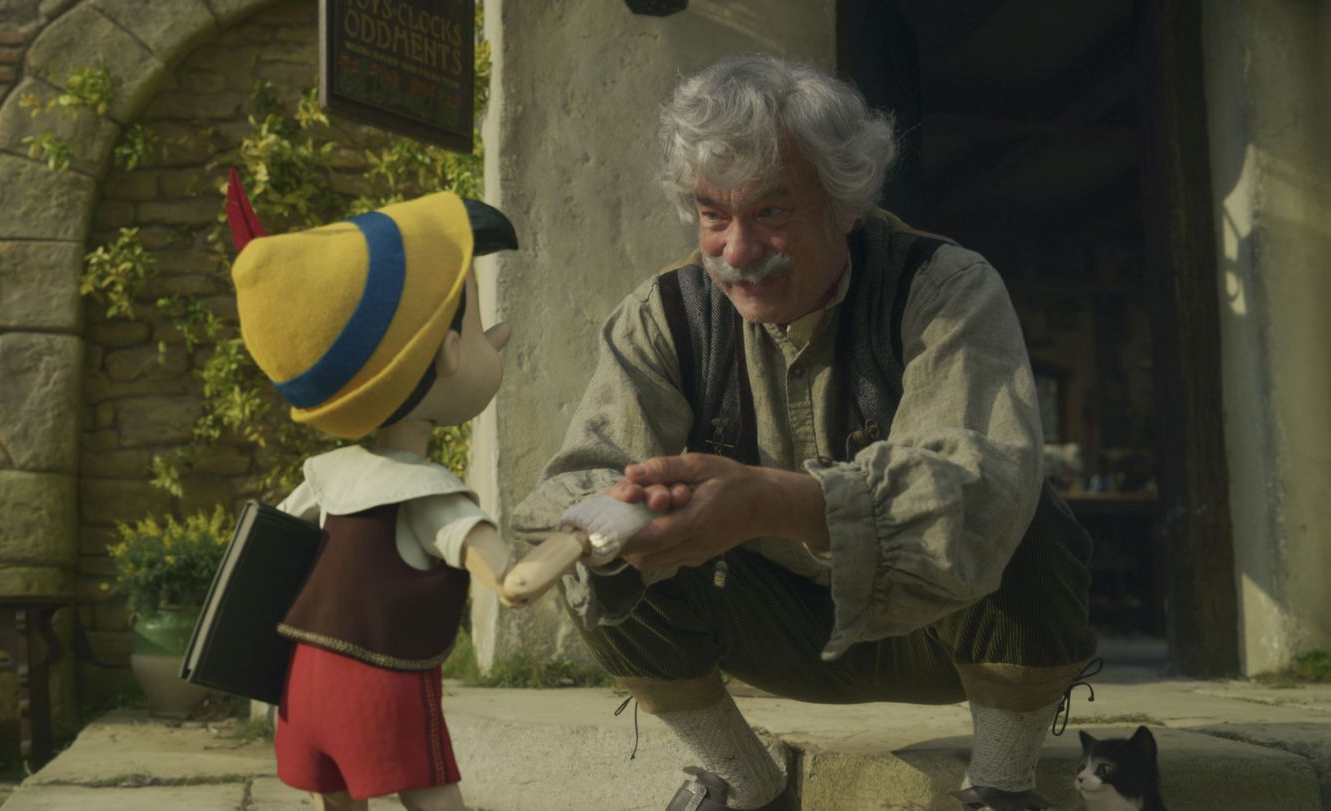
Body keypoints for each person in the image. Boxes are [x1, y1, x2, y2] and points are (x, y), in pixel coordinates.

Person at [513, 55, 1097, 811]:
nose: (737, 251)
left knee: (1020, 506)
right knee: (603, 547)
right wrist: (621, 514)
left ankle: (1001, 784)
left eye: (772, 212)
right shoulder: (664, 315)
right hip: (770, 638)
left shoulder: (946, 288)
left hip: (940, 629)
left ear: (845, 205)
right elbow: (573, 481)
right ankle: (743, 781)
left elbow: (976, 485)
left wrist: (777, 502)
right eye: (713, 216)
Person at [228, 188, 541, 811]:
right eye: (475, 330)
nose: (493, 339)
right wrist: (582, 536)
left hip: (303, 688)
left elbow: (267, 552)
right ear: (447, 354)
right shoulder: (429, 494)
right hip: (379, 691)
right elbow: (512, 582)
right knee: (433, 800)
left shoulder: (326, 476)